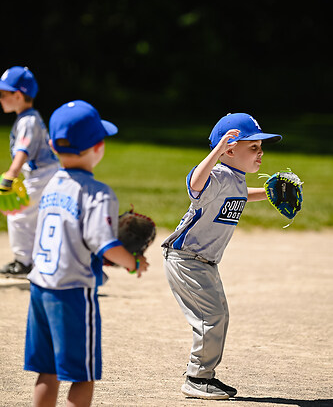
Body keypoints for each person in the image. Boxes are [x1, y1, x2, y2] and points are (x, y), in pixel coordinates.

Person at [24, 100, 149, 407]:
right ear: (98, 146)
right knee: (83, 375)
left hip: (40, 287)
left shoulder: (51, 184)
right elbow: (104, 244)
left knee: (47, 371)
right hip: (72, 293)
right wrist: (133, 263)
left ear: (53, 146)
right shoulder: (98, 192)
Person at [162, 112, 282, 400]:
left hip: (203, 262)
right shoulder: (215, 176)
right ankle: (197, 378)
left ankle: (203, 376)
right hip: (186, 258)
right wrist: (215, 152)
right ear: (230, 149)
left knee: (219, 316)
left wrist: (268, 192)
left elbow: (240, 194)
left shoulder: (235, 179)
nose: (260, 153)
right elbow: (195, 184)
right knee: (212, 317)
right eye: (253, 147)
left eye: (261, 147)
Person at [0, 66, 59, 277]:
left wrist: (11, 173)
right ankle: (36, 260)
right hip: (45, 174)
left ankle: (23, 262)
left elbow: (23, 151)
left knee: (17, 213)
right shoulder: (30, 117)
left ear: (17, 95)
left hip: (41, 176)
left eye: (3, 94)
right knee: (35, 217)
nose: (0, 99)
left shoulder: (27, 120)